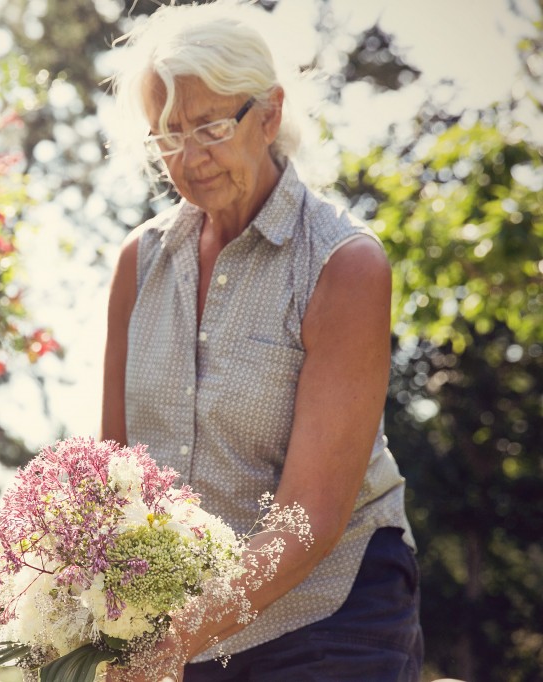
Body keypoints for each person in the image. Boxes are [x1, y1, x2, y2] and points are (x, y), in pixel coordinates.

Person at [99, 2, 423, 680]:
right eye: (167, 135)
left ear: (269, 115)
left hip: (329, 609)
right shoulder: (140, 262)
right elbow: (112, 475)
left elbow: (311, 517)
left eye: (211, 128)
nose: (189, 159)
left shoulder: (342, 265)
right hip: (190, 618)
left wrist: (168, 642)